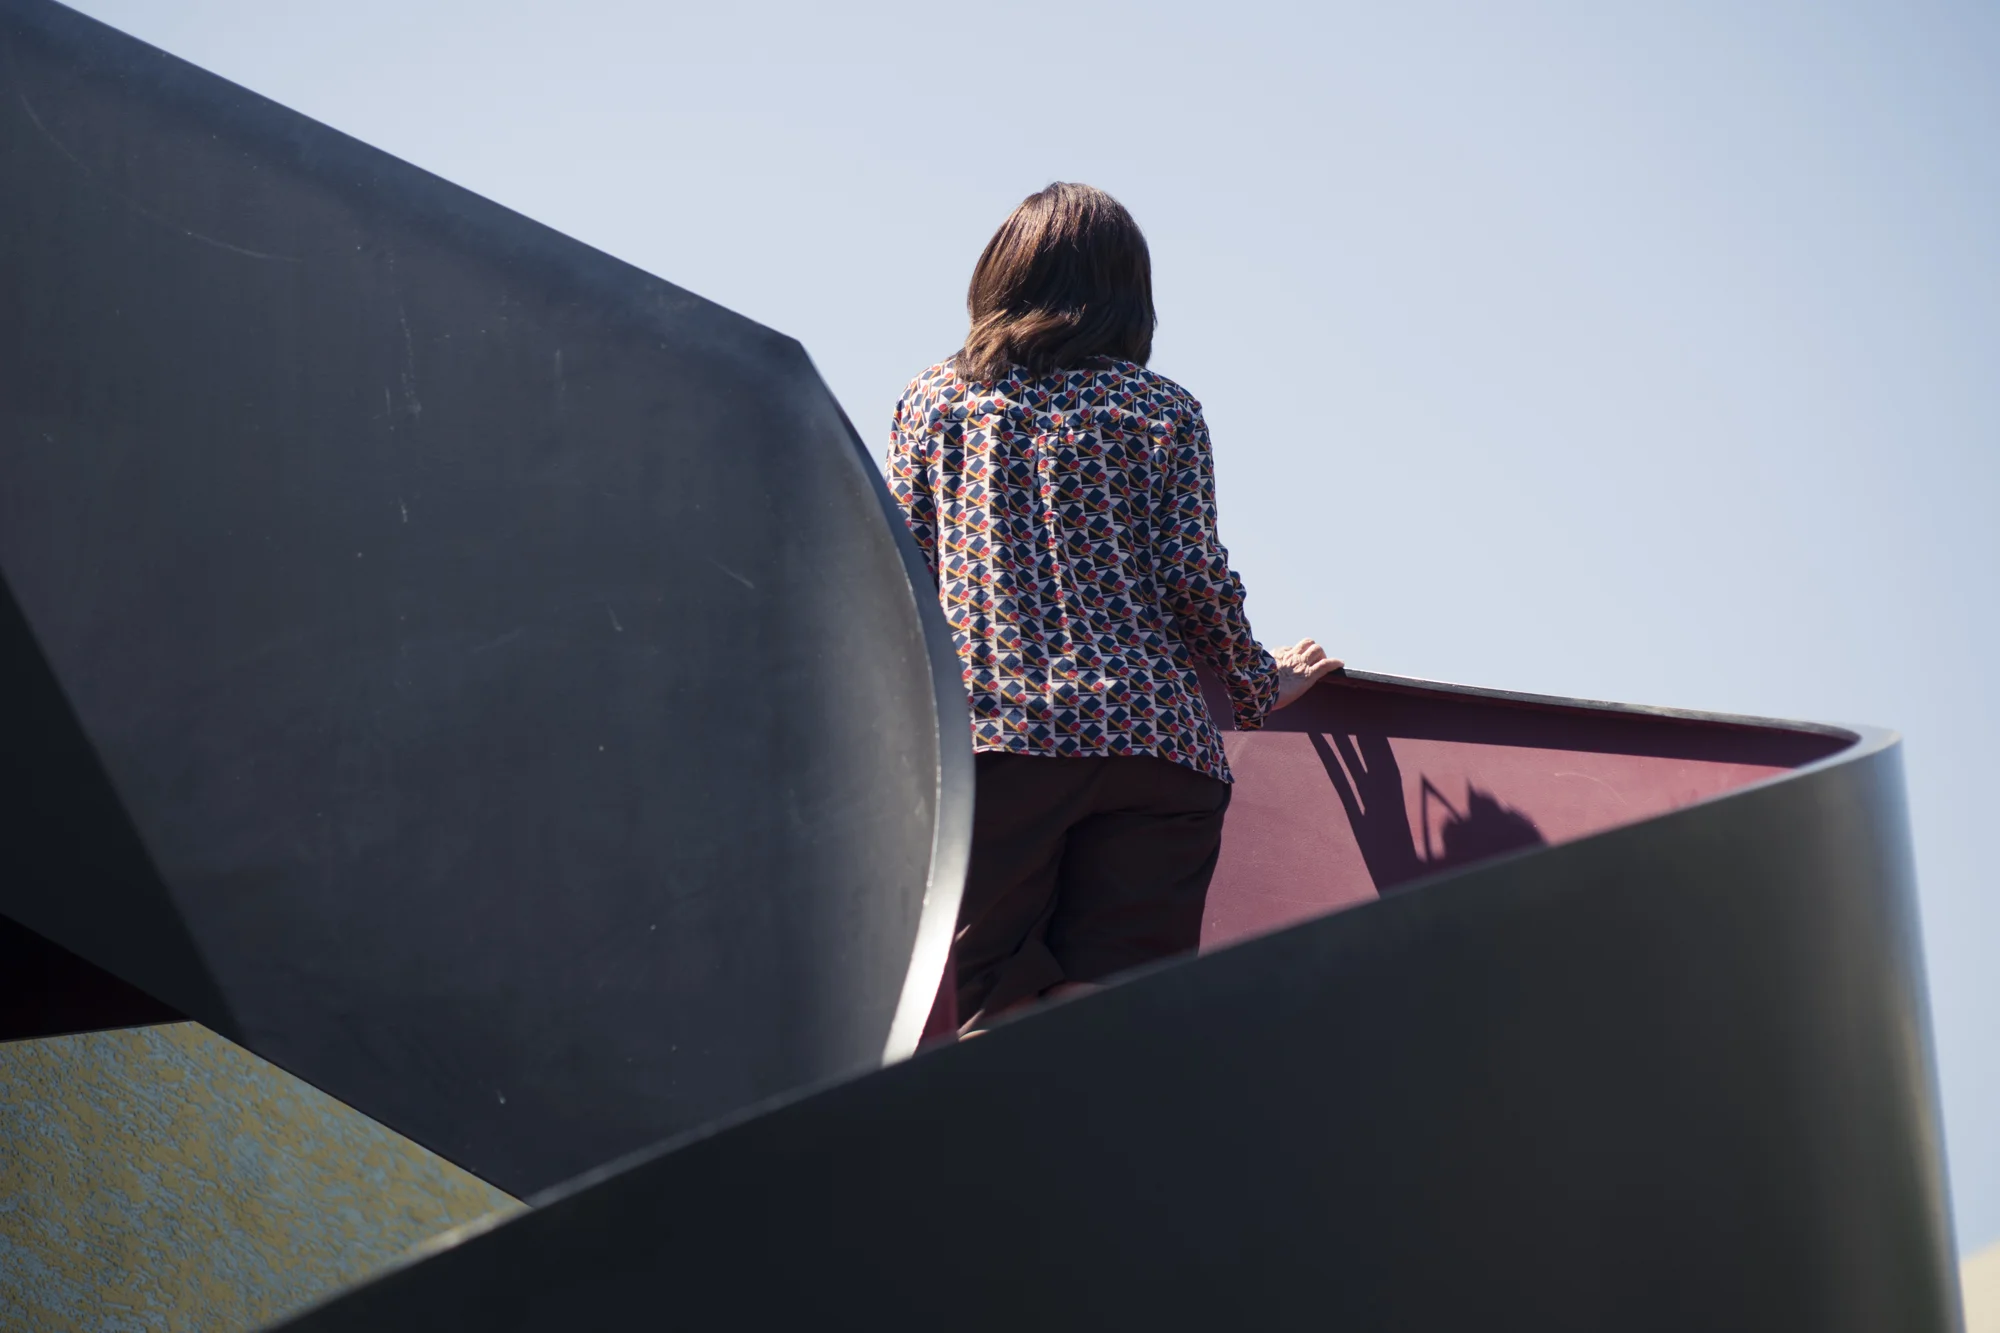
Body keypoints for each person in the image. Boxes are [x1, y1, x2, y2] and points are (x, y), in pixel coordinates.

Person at [887, 182, 1340, 1036]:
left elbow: (901, 577)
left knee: (999, 1012)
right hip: (1156, 746)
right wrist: (1256, 682)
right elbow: (1192, 572)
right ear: (1130, 294)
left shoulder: (936, 404)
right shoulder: (1161, 409)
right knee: (1113, 1019)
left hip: (1002, 740)